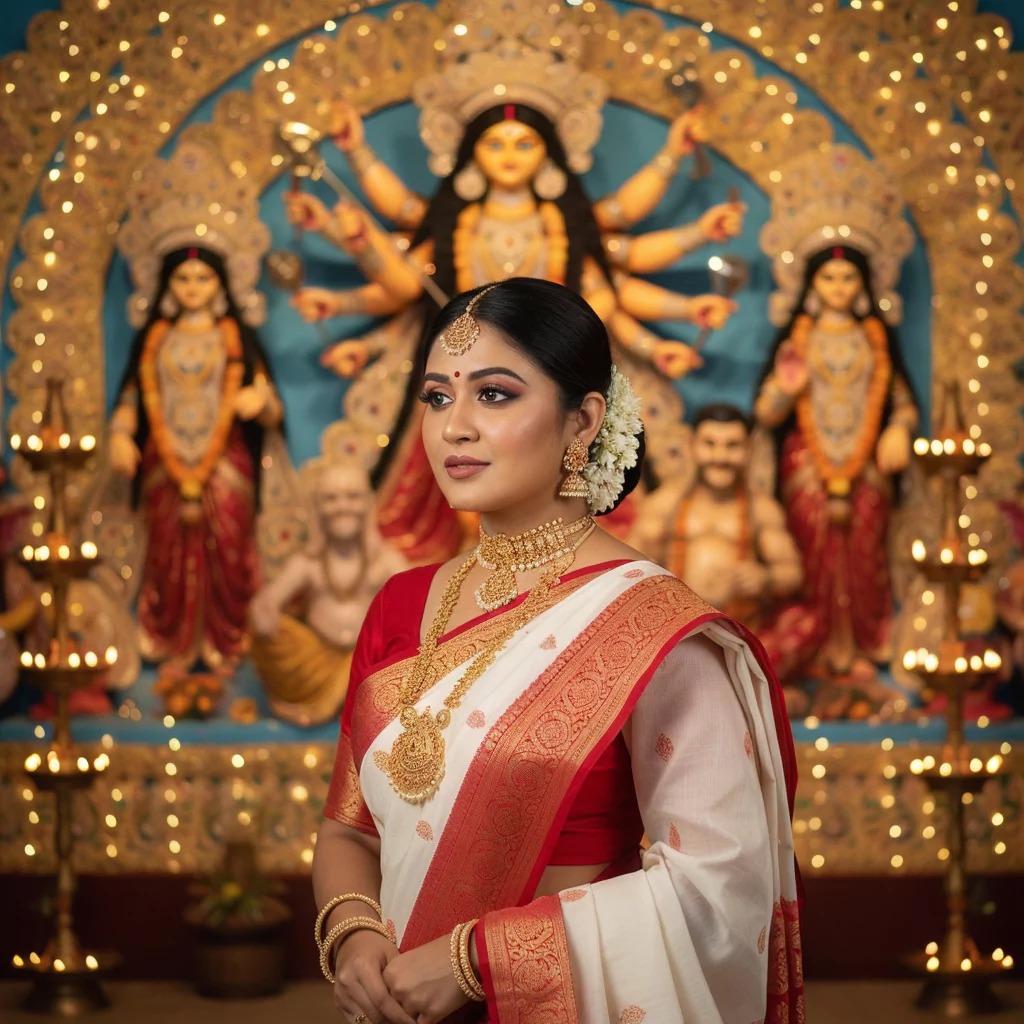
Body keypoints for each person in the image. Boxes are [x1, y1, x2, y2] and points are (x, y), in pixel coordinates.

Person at [313, 278, 802, 1024]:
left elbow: (719, 887)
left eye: (496, 394)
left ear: (583, 421)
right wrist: (352, 937)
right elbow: (348, 828)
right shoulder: (398, 608)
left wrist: (477, 961)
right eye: (438, 397)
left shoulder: (652, 629)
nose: (454, 427)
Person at [630, 403, 803, 623]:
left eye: (732, 445)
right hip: (674, 624)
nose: (720, 457)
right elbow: (629, 563)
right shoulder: (665, 503)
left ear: (748, 449)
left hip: (741, 624)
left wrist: (765, 579)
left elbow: (792, 572)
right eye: (710, 444)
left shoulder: (761, 509)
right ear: (691, 445)